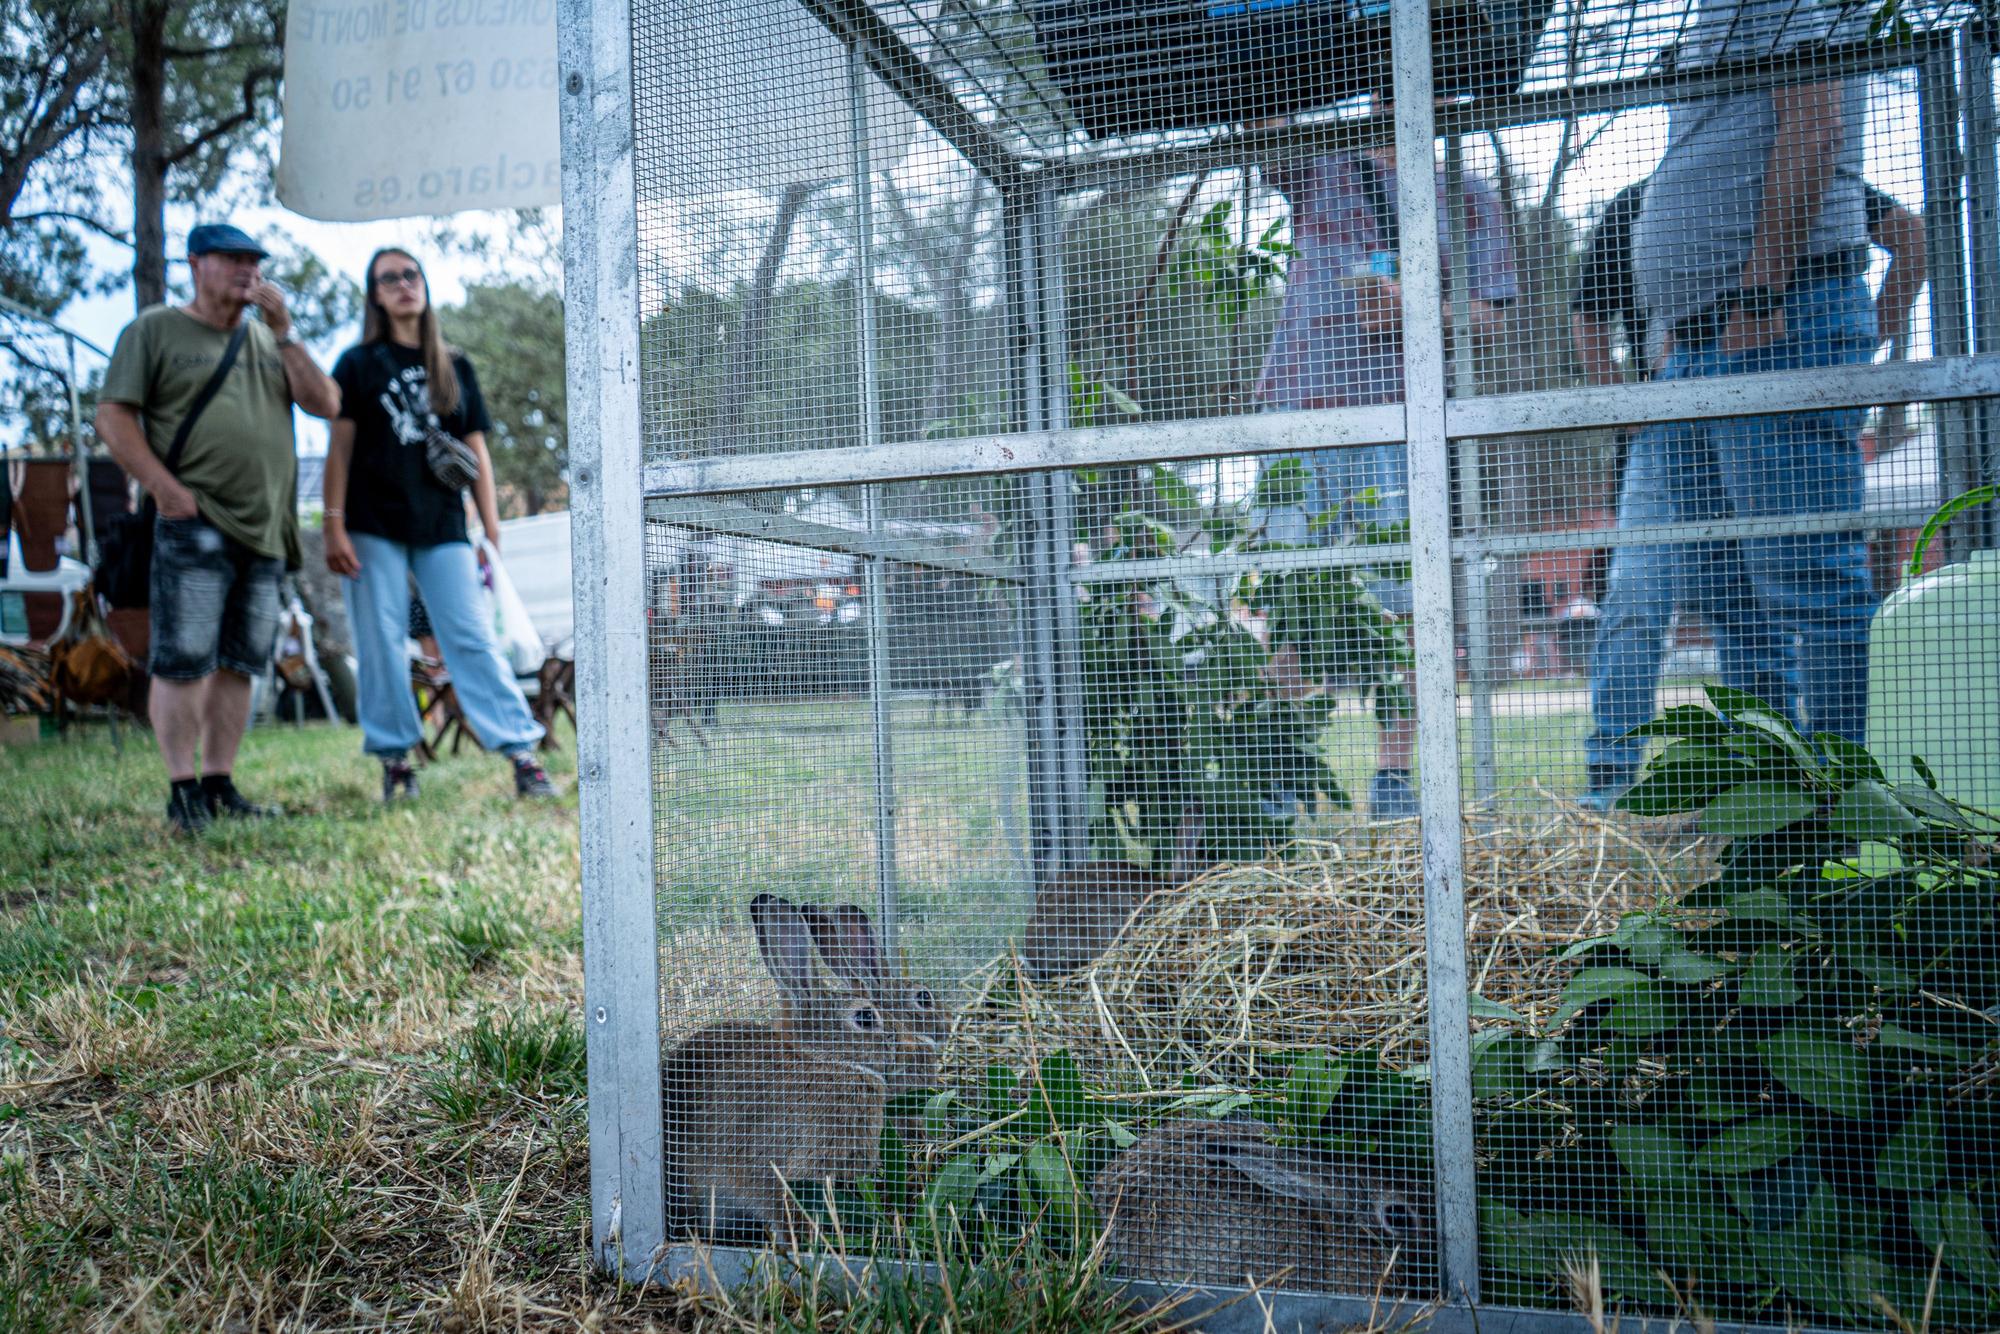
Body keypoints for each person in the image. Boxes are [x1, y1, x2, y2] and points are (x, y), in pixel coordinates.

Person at [1586, 0, 1912, 804]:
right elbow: (1589, 312)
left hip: (1770, 321)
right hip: (1692, 352)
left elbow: (1816, 123)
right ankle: (1764, 802)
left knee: (1809, 581)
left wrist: (1762, 294)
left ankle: (1840, 816)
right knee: (1730, 595)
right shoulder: (1711, 21)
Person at [1253, 98, 1518, 820]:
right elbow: (1260, 122)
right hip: (1300, 413)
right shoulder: (1321, 165)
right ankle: (1278, 771)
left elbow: (1492, 315)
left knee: (1410, 603)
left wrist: (1417, 303)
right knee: (1291, 597)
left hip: (1407, 423)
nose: (1395, 95)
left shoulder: (1468, 195)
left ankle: (1395, 784)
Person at [96, 222, 342, 834]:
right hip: (193, 523)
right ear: (195, 263)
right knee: (183, 659)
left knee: (240, 663)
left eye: (254, 261)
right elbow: (112, 415)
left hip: (266, 531)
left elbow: (327, 403)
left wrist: (285, 334)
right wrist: (163, 487)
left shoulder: (268, 340)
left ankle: (219, 782)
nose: (247, 270)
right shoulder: (154, 329)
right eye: (232, 259)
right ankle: (182, 791)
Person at [322, 248, 555, 801]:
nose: (404, 285)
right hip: (371, 522)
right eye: (390, 278)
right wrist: (332, 524)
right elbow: (339, 452)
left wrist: (490, 528)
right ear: (375, 294)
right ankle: (396, 760)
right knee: (380, 641)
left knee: (470, 636)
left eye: (412, 274)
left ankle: (522, 753)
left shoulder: (454, 363)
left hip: (443, 522)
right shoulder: (357, 364)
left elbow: (477, 450)